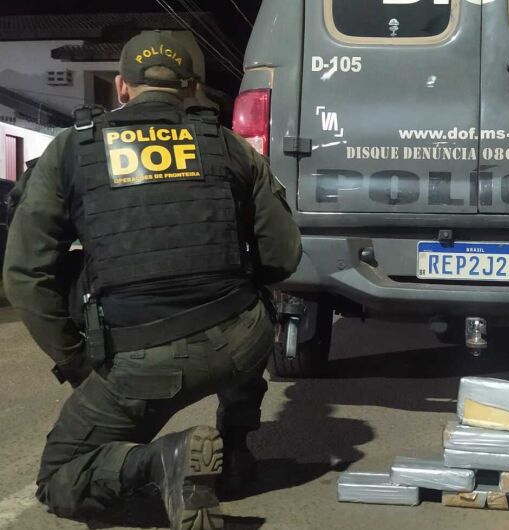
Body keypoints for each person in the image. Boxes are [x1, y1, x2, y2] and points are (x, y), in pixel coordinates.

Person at [2, 31, 301, 530]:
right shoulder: (229, 146)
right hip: (241, 344)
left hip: (143, 361)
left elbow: (26, 275)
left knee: (60, 478)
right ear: (193, 87)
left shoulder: (72, 150)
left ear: (122, 86)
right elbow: (283, 256)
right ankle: (234, 451)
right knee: (249, 299)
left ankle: (161, 460)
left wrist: (76, 360)